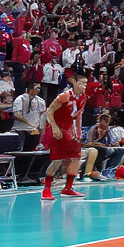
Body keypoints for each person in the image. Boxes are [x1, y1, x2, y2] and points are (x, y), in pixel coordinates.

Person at [40, 72, 89, 200]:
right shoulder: (64, 96)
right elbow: (49, 111)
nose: (84, 86)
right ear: (74, 83)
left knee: (76, 158)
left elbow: (77, 116)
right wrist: (55, 128)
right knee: (57, 160)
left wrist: (77, 133)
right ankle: (47, 189)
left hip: (69, 129)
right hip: (56, 128)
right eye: (81, 83)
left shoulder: (83, 97)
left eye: (86, 83)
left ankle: (68, 188)